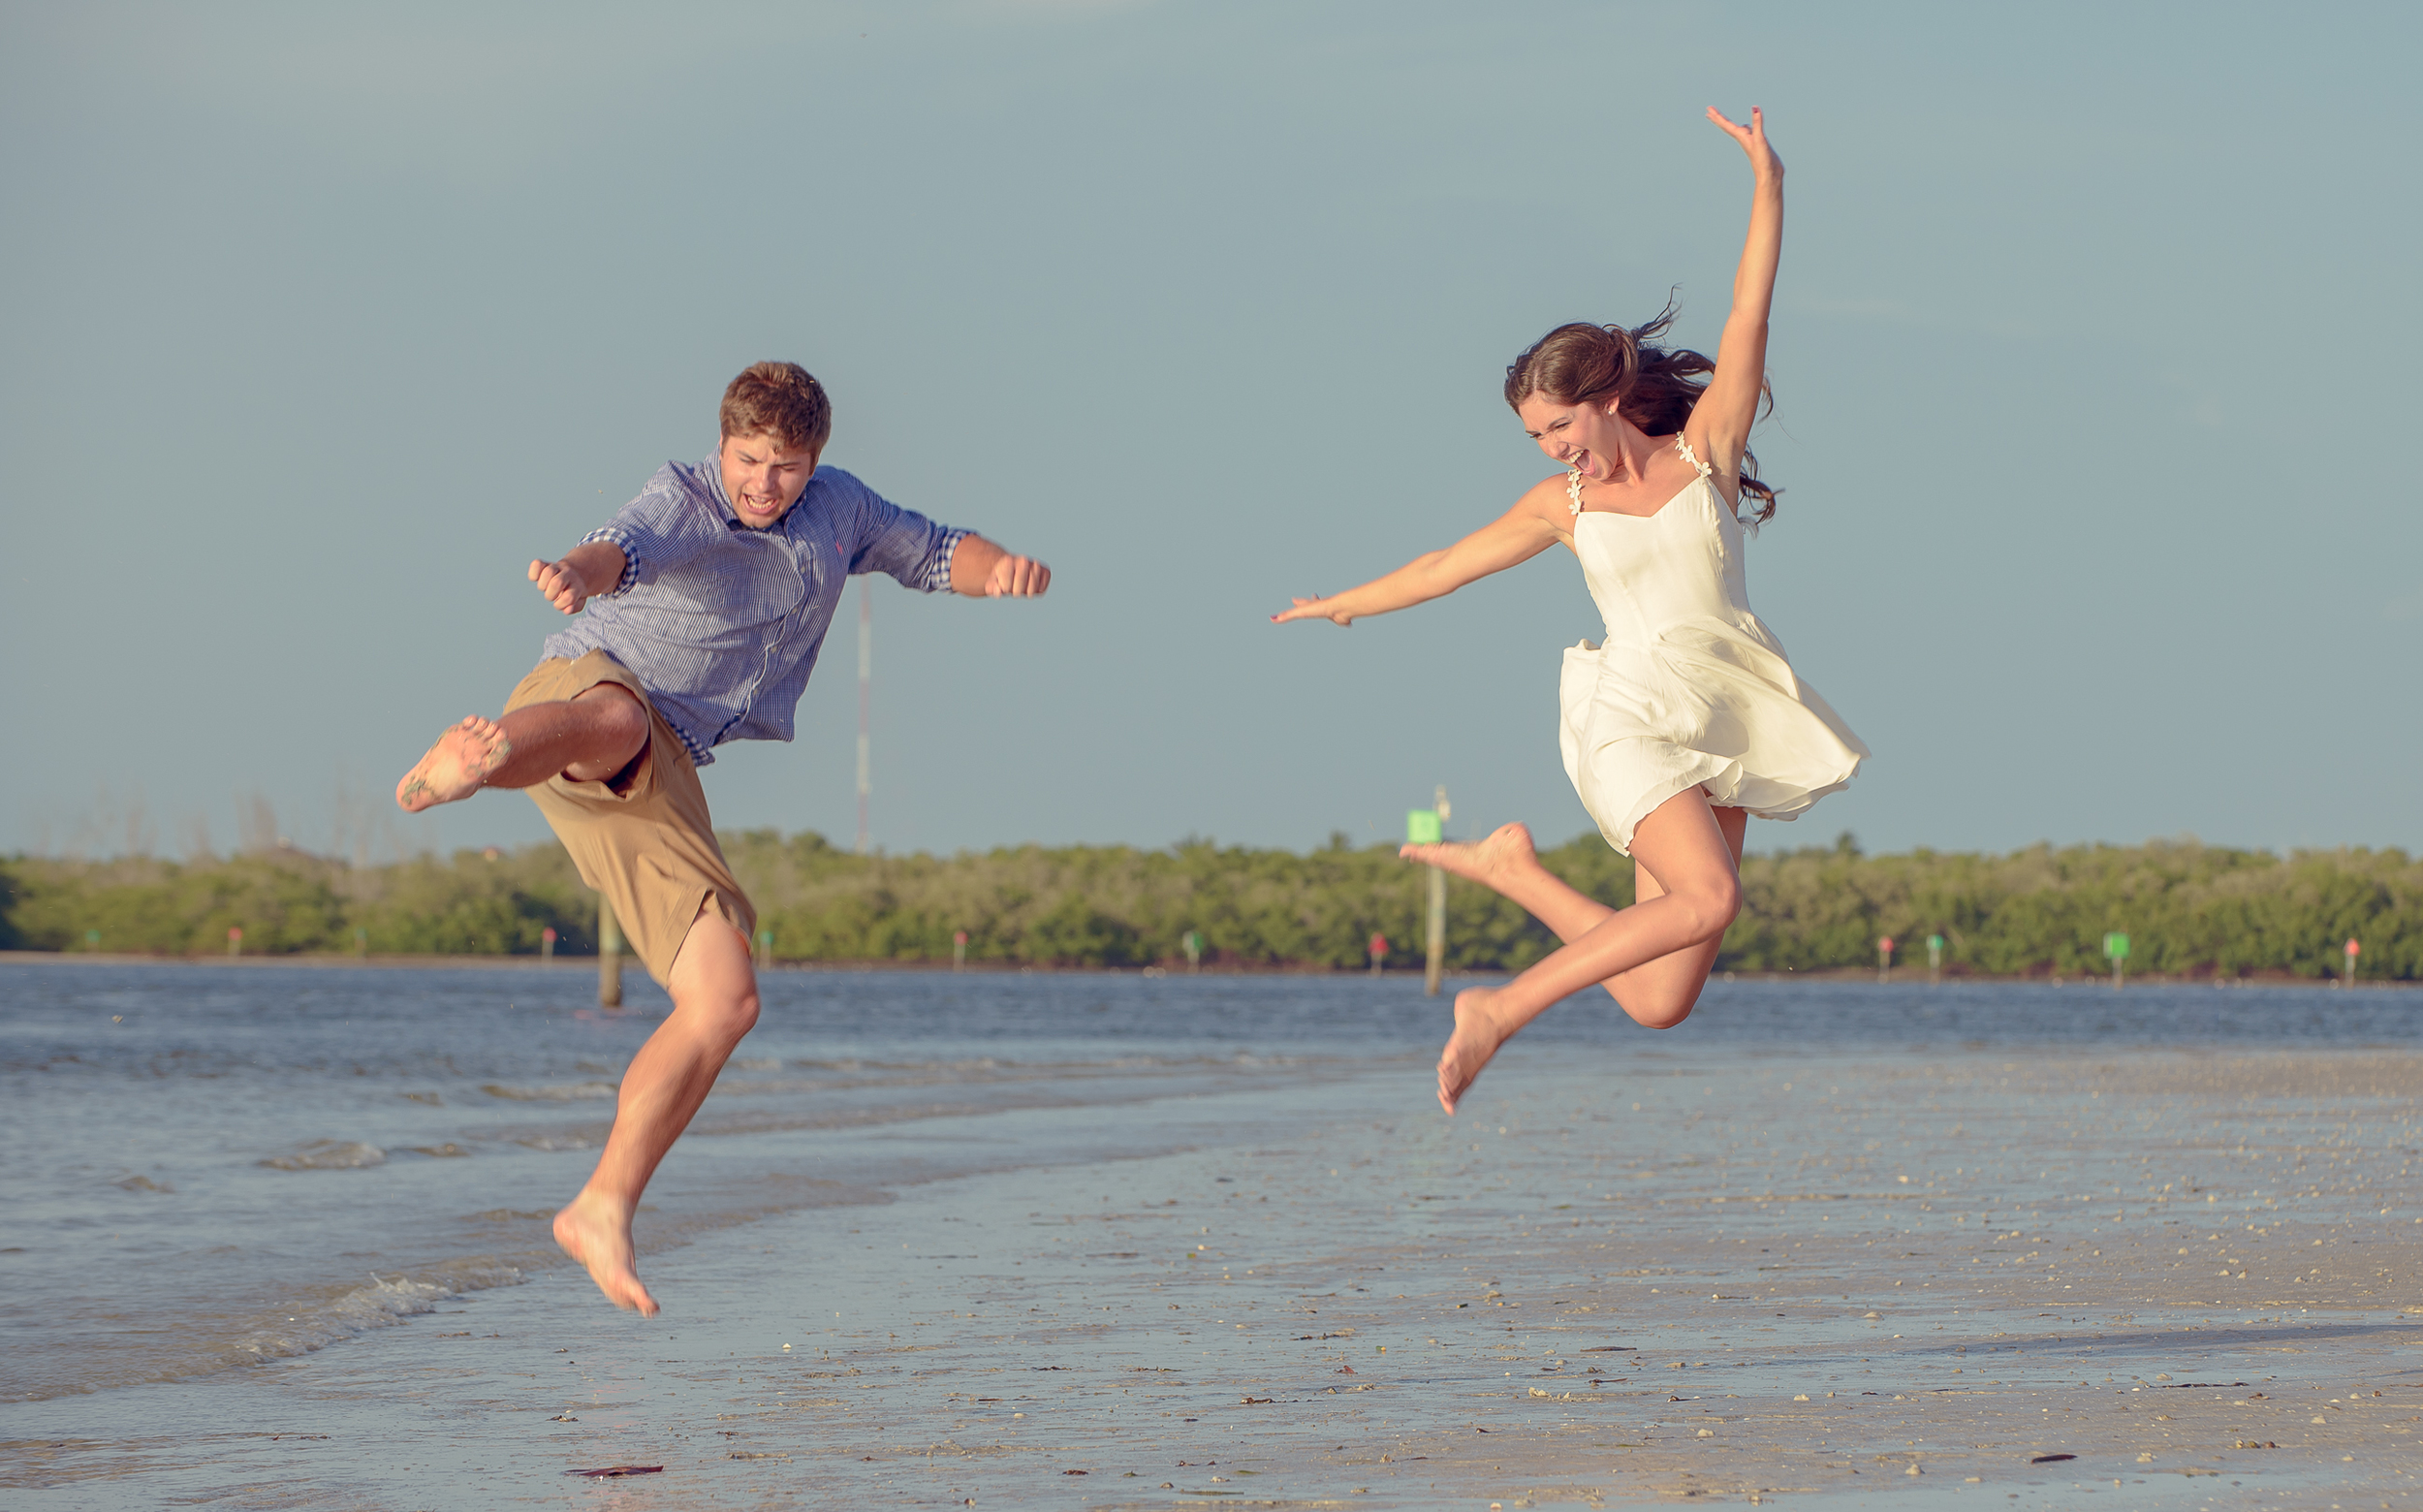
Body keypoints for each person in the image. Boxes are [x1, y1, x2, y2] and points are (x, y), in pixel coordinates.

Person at [394, 362, 1050, 1313]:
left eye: (783, 467)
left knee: (725, 1000)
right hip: (585, 690)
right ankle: (465, 769)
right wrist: (575, 575)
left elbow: (937, 551)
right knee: (612, 719)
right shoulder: (684, 495)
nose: (761, 484)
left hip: (666, 770)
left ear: (814, 461)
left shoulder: (842, 510)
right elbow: (619, 547)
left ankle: (602, 1206)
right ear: (723, 444)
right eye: (747, 459)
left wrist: (1003, 575)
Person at [1273, 109, 1864, 1117]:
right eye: (1535, 435)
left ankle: (1513, 871)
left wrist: (1768, 184)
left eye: (1558, 424)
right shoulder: (1564, 506)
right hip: (1629, 714)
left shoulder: (1703, 455)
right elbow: (1445, 565)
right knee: (1709, 898)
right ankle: (1497, 1011)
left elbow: (1745, 315)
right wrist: (1343, 606)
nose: (1551, 447)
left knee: (1658, 996)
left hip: (1726, 709)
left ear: (1606, 394)